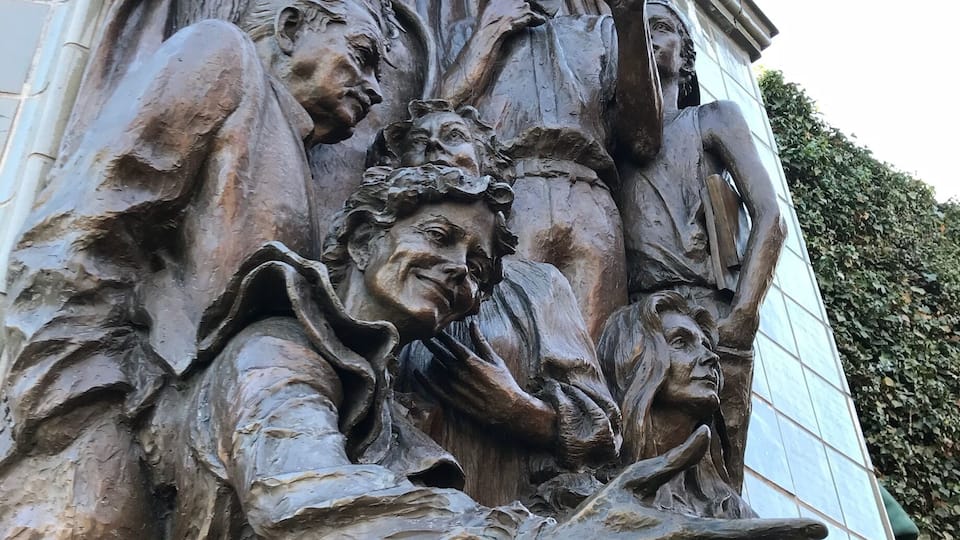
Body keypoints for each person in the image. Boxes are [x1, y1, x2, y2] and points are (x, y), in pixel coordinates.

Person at [0, 0, 386, 536]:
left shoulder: (291, 149)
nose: (375, 88)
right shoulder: (221, 55)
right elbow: (84, 228)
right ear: (291, 28)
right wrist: (74, 405)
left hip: (195, 435)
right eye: (363, 56)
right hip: (113, 415)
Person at [372, 100, 620, 507]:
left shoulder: (537, 285)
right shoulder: (371, 262)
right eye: (420, 141)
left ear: (487, 165)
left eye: (454, 137)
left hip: (495, 503)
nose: (435, 148)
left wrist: (518, 410)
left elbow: (600, 432)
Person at [615, 0, 787, 488]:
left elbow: (770, 216)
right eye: (640, 29)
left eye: (663, 28)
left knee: (723, 467)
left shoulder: (712, 118)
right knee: (642, 459)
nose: (649, 37)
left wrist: (744, 314)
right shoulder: (615, 139)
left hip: (708, 308)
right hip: (640, 312)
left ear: (686, 57)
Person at [424, 0, 664, 341]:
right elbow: (436, 114)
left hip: (590, 202)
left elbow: (644, 141)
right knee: (498, 335)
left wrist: (630, 21)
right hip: (508, 197)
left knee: (592, 350)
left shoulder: (603, 32)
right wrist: (491, 31)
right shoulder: (468, 31)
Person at [598, 291, 756, 519]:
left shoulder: (734, 514)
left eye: (706, 346)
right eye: (681, 342)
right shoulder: (589, 483)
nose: (710, 357)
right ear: (635, 359)